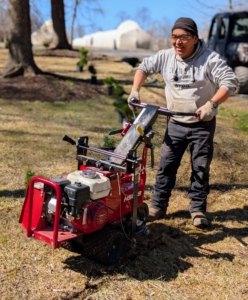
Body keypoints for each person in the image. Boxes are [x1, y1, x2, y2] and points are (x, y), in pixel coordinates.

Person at [127, 17, 238, 228]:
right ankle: (158, 206)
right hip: (175, 122)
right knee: (166, 166)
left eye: (184, 37)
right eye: (175, 37)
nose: (178, 42)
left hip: (202, 124)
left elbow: (230, 81)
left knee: (200, 167)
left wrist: (212, 104)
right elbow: (144, 67)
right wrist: (135, 90)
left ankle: (197, 209)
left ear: (195, 38)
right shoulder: (166, 57)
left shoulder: (209, 59)